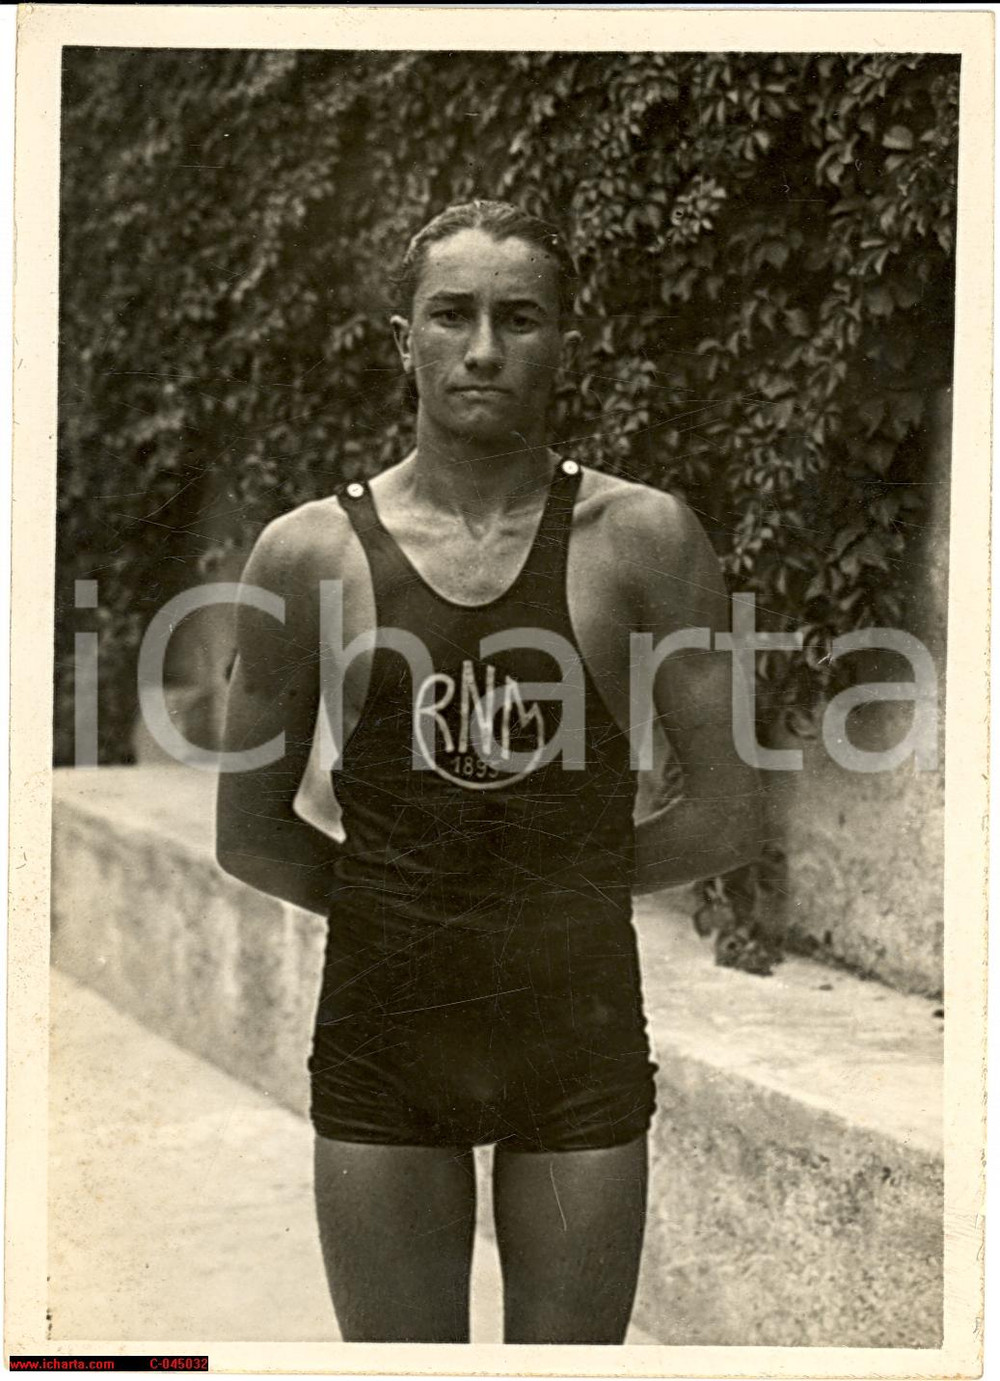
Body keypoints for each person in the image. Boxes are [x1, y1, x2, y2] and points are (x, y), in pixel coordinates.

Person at [215, 199, 763, 1344]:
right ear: (400, 337)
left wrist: (553, 896)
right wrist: (412, 906)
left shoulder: (645, 537)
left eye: (518, 318)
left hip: (576, 1028)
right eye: (450, 315)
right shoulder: (306, 551)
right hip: (386, 1028)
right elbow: (250, 830)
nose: (481, 349)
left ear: (566, 340)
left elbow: (721, 813)